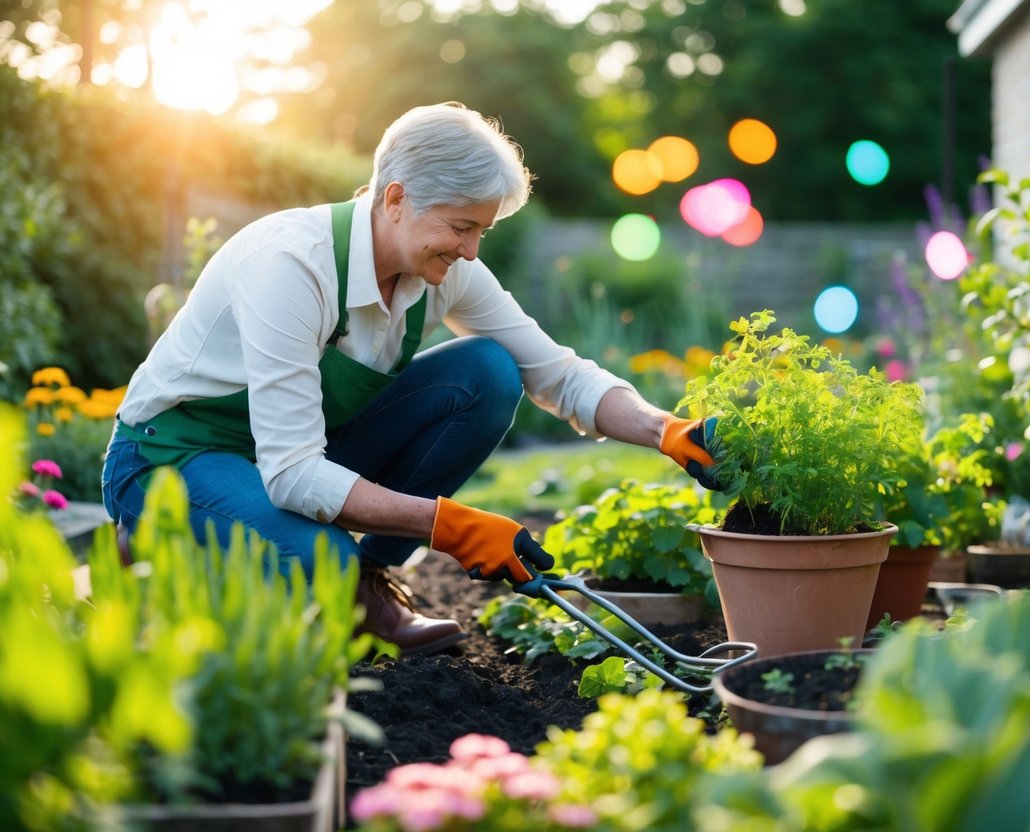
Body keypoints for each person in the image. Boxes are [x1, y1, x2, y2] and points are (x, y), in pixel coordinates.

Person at [101, 102, 719, 657]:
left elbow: (552, 371)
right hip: (174, 454)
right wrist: (450, 525)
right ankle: (160, 542)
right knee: (317, 565)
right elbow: (291, 470)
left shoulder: (441, 270)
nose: (472, 250)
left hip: (294, 451)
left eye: (482, 230)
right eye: (461, 227)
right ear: (396, 199)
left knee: (487, 372)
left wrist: (666, 431)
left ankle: (367, 587)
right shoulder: (290, 265)